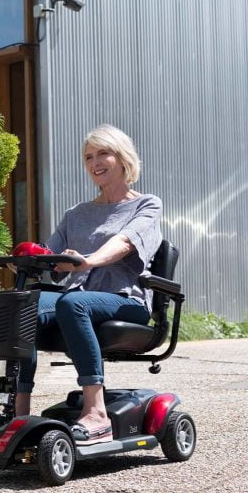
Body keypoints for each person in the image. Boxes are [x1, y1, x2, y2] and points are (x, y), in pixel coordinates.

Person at [14, 124, 163, 446]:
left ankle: (96, 414)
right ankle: (18, 412)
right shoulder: (76, 214)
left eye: (103, 153)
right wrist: (29, 259)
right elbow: (48, 254)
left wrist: (89, 260)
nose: (95, 162)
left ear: (123, 158)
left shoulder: (147, 205)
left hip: (126, 300)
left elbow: (125, 242)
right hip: (79, 296)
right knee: (20, 307)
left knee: (72, 303)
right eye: (88, 157)